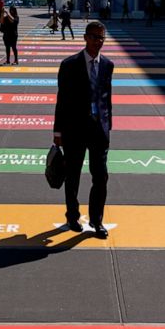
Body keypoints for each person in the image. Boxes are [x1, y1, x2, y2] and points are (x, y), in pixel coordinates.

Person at [53, 21, 113, 238]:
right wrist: (57, 132)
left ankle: (97, 221)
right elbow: (62, 101)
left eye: (102, 38)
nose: (99, 42)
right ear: (85, 37)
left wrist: (108, 126)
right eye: (95, 37)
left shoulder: (107, 65)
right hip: (74, 130)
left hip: (99, 131)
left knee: (101, 176)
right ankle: (72, 216)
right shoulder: (69, 65)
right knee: (73, 176)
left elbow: (107, 98)